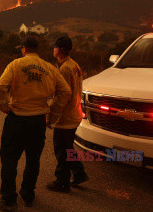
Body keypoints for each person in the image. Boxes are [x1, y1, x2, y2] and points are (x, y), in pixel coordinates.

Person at [0, 36, 71, 211]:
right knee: (33, 159)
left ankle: (8, 199)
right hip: (38, 121)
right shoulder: (50, 68)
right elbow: (65, 91)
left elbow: (0, 87)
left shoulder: (15, 65)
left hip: (17, 119)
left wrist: (4, 107)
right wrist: (53, 115)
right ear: (37, 49)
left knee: (9, 159)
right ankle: (28, 194)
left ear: (23, 49)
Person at [46, 36, 89, 193]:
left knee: (61, 150)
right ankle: (79, 174)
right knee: (68, 147)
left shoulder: (64, 69)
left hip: (66, 118)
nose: (53, 50)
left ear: (59, 50)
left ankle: (62, 182)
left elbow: (61, 96)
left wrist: (51, 118)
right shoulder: (73, 65)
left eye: (54, 47)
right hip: (74, 115)